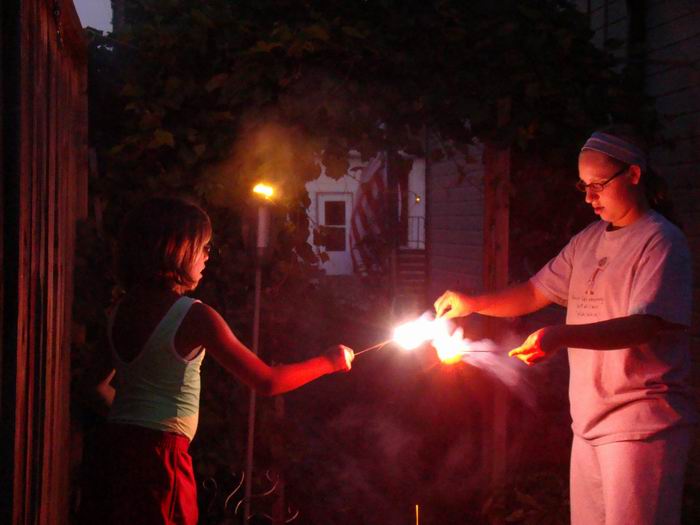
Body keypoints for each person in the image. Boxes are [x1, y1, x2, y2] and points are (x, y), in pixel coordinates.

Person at [434, 125, 695, 525]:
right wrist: (473, 304)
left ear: (634, 175)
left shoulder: (661, 242)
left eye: (599, 185)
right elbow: (533, 293)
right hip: (589, 424)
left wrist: (560, 336)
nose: (589, 197)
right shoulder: (587, 241)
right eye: (584, 186)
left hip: (641, 427)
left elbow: (643, 326)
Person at [78, 196, 354, 525]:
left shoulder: (120, 311)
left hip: (114, 456)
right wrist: (329, 361)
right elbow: (267, 381)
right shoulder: (195, 317)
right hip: (161, 463)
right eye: (203, 246)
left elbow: (91, 387)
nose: (209, 255)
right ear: (177, 248)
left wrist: (134, 419)